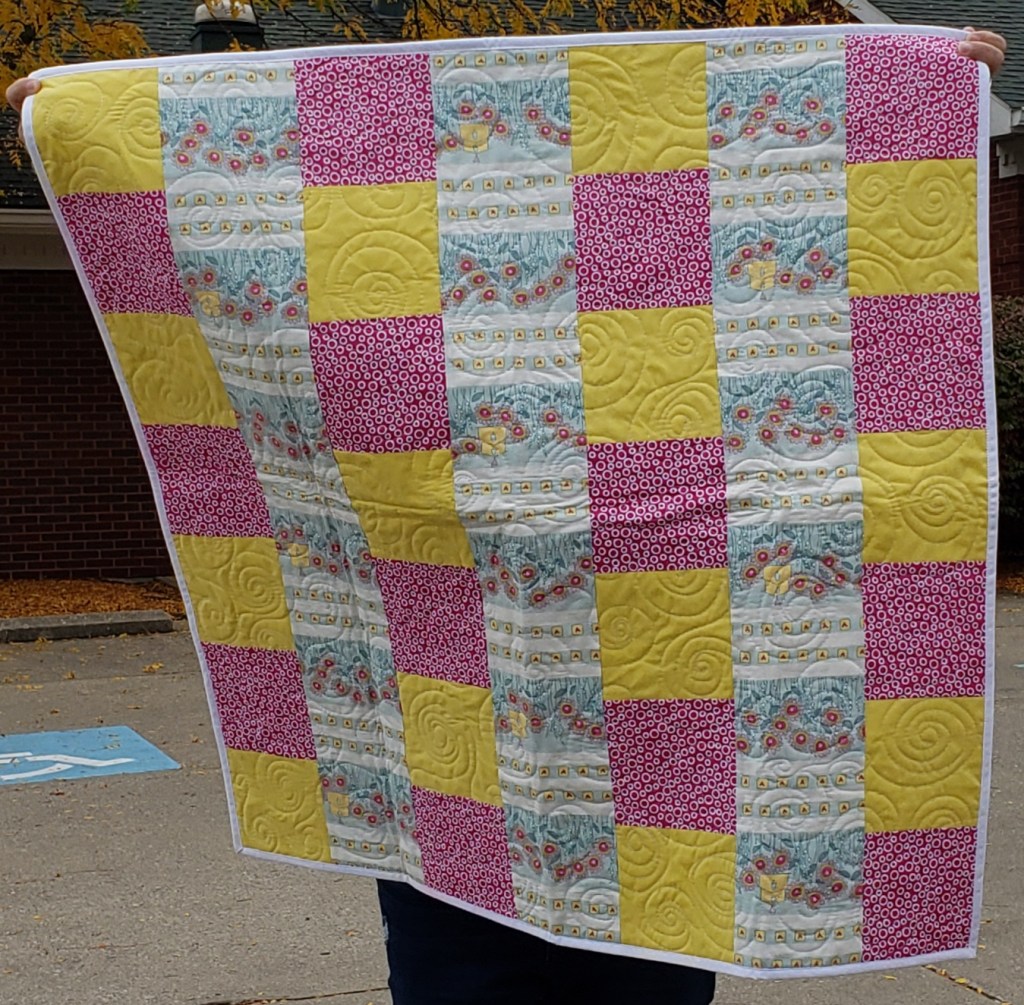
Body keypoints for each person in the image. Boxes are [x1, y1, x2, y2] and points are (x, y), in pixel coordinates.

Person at [5, 24, 1008, 1005]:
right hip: (453, 725)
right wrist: (83, 116)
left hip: (659, 719)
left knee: (639, 956)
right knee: (463, 946)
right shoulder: (411, 396)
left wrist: (919, 84)